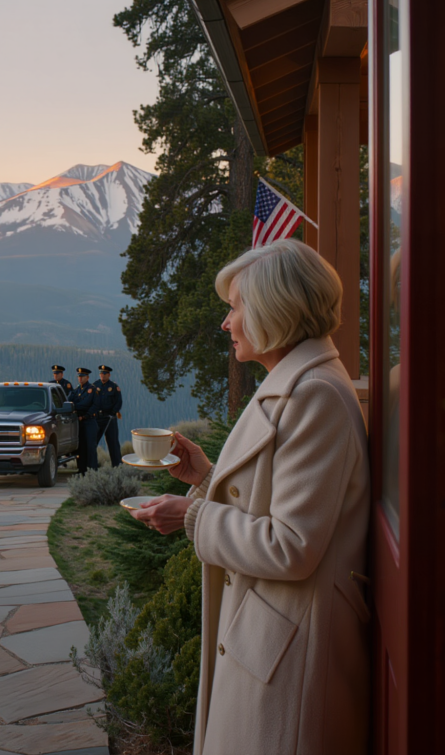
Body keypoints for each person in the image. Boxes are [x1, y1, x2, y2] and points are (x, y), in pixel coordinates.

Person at [133, 239, 370, 755]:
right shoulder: (297, 384)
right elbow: (281, 500)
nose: (227, 323)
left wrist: (194, 517)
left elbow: (291, 544)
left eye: (235, 308)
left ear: (272, 311)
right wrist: (205, 477)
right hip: (272, 634)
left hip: (290, 648)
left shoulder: (313, 395)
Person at [67, 368, 97, 474]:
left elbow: (86, 404)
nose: (80, 378)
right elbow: (69, 401)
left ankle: (92, 470)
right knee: (80, 447)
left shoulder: (91, 389)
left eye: (82, 376)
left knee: (90, 447)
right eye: (79, 376)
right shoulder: (76, 390)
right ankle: (82, 469)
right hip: (79, 422)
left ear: (87, 377)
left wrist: (74, 406)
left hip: (89, 421)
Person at [91, 365, 123, 467]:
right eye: (101, 373)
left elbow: (119, 401)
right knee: (93, 442)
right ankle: (92, 465)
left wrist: (114, 412)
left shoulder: (114, 387)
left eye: (104, 374)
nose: (102, 375)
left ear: (108, 375)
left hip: (110, 418)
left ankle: (117, 466)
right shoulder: (95, 385)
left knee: (113, 443)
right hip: (97, 418)